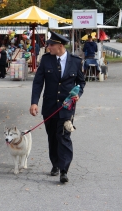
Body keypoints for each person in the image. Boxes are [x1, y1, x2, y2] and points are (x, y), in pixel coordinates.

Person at [30, 31, 86, 183]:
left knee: (64, 137)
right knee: (52, 137)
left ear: (60, 46)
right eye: (48, 44)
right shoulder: (46, 60)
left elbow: (81, 82)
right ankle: (55, 164)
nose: (48, 47)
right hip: (49, 106)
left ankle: (64, 170)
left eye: (51, 45)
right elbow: (38, 82)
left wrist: (78, 93)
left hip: (67, 107)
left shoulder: (75, 61)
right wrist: (34, 102)